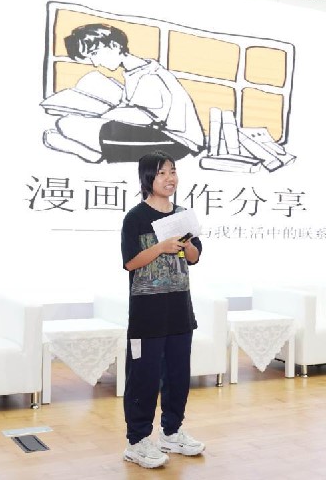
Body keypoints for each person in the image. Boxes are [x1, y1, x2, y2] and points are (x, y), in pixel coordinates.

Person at [119, 150, 205, 468]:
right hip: (147, 315)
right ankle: (137, 441)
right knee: (143, 378)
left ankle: (172, 432)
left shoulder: (182, 216)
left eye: (173, 171)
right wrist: (161, 247)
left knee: (178, 376)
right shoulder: (135, 218)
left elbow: (194, 258)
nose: (170, 178)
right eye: (162, 173)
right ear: (147, 179)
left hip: (180, 311)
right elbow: (130, 262)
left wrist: (188, 245)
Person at [43, 24, 205, 163]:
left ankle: (93, 152)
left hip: (177, 143)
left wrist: (103, 116)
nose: (95, 63)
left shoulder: (149, 76)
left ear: (114, 46)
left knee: (68, 124)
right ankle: (93, 151)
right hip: (160, 134)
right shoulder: (134, 72)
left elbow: (146, 117)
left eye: (94, 54)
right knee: (67, 123)